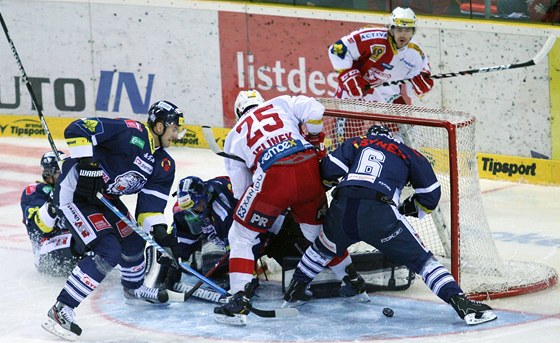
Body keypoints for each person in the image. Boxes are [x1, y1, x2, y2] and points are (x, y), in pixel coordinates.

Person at [282, 125, 497, 326]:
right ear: (391, 137)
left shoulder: (358, 141)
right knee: (422, 261)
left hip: (342, 208)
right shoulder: (406, 151)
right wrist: (408, 208)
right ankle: (461, 303)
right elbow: (431, 195)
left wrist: (332, 185)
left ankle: (295, 291)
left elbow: (327, 171)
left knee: (321, 250)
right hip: (379, 212)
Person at [213, 91, 366, 326]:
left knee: (241, 234)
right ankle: (354, 282)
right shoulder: (281, 102)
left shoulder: (235, 134)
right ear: (261, 103)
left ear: (238, 113)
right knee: (318, 235)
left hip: (273, 176)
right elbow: (316, 110)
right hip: (308, 168)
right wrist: (314, 140)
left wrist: (271, 204)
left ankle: (237, 301)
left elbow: (240, 190)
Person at [41, 100, 184, 340]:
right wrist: (87, 163)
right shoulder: (130, 131)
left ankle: (134, 288)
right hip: (74, 193)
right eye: (174, 129)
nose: (177, 136)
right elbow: (77, 128)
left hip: (103, 197)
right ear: (159, 127)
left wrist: (159, 231)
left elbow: (149, 208)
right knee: (108, 250)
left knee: (135, 243)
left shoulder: (163, 164)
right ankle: (62, 308)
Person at [328, 7, 433, 105]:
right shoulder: (373, 37)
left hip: (388, 95)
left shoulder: (416, 54)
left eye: (407, 30)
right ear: (391, 29)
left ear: (413, 32)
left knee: (405, 125)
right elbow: (337, 48)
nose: (403, 35)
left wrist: (424, 88)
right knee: (344, 123)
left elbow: (419, 91)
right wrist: (347, 75)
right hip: (357, 88)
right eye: (399, 29)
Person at [20, 151, 82, 276]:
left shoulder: (73, 189)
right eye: (61, 172)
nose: (68, 176)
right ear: (48, 174)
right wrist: (56, 197)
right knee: (81, 240)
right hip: (46, 252)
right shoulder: (33, 191)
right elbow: (42, 226)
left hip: (74, 244)